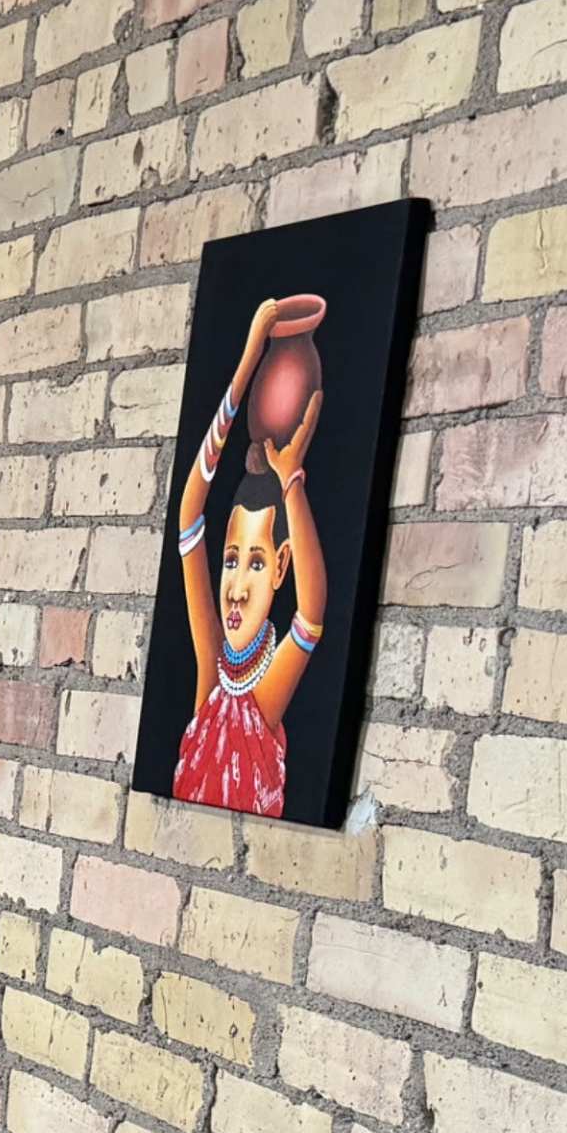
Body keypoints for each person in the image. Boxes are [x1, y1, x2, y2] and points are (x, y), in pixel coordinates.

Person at [170, 294, 329, 819]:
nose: (236, 584)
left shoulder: (265, 697)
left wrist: (293, 485)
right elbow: (190, 513)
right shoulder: (210, 667)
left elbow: (310, 616)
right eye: (232, 559)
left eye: (257, 564)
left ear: (282, 566)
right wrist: (244, 367)